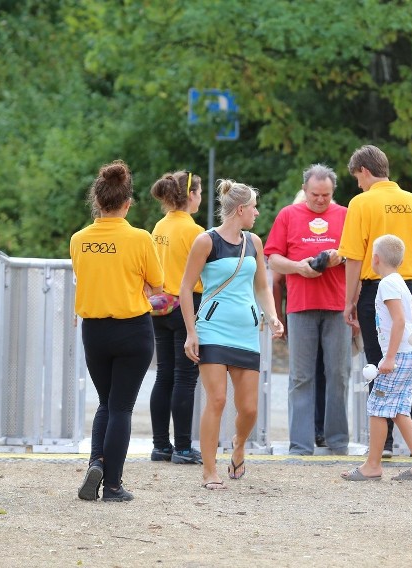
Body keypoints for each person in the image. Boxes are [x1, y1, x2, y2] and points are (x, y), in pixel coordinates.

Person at [180, 178, 284, 490]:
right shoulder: (206, 241)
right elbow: (185, 288)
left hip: (246, 332)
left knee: (250, 408)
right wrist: (190, 333)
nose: (257, 212)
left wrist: (273, 317)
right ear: (240, 209)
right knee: (218, 399)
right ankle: (209, 471)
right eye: (254, 207)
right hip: (212, 330)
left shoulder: (254, 242)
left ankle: (238, 446)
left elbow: (263, 287)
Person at [70, 160, 164, 502]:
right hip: (132, 330)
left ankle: (97, 460)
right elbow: (157, 284)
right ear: (128, 203)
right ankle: (112, 486)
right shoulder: (139, 238)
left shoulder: (79, 239)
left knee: (105, 403)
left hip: (94, 331)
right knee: (122, 407)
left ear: (97, 200)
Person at [338, 144, 412, 456]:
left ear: (364, 171)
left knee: (379, 362)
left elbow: (353, 257)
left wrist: (350, 300)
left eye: (357, 177)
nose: (358, 184)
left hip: (376, 288)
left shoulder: (361, 203)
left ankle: (385, 441)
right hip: (411, 288)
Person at [265, 164, 349, 456]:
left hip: (337, 305)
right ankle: (300, 444)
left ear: (333, 192)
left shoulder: (346, 215)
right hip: (300, 306)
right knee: (301, 376)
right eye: (315, 194)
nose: (320, 200)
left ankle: (338, 441)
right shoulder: (289, 215)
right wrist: (299, 267)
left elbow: (360, 256)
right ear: (305, 190)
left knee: (338, 374)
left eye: (326, 195)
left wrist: (340, 258)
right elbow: (273, 259)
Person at [341, 235, 412, 481]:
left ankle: (372, 466)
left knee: (377, 407)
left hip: (398, 356)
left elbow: (399, 320)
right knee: (399, 410)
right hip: (410, 355)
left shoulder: (387, 284)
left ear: (376, 259)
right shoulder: (399, 281)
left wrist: (388, 358)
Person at [148, 171, 205, 465]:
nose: (201, 197)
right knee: (185, 377)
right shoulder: (194, 231)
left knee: (164, 375)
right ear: (190, 195)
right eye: (199, 192)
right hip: (186, 305)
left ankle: (161, 445)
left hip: (160, 306)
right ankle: (183, 447)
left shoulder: (160, 226)